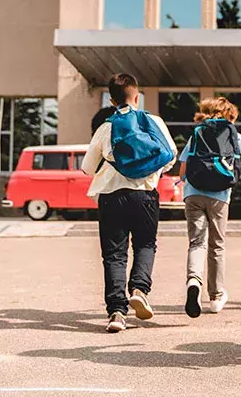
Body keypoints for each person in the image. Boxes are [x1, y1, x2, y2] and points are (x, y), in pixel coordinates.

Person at [81, 73, 177, 333]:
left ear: (111, 100)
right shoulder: (153, 121)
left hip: (111, 196)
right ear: (137, 97)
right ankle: (139, 289)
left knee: (114, 255)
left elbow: (87, 168)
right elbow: (170, 155)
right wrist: (149, 171)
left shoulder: (106, 127)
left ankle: (116, 313)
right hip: (145, 194)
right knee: (146, 244)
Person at [180, 97, 241, 318]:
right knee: (217, 245)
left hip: (193, 194)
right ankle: (215, 297)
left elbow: (183, 170)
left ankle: (193, 281)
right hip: (219, 196)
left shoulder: (197, 133)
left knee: (196, 242)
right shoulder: (235, 135)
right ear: (230, 116)